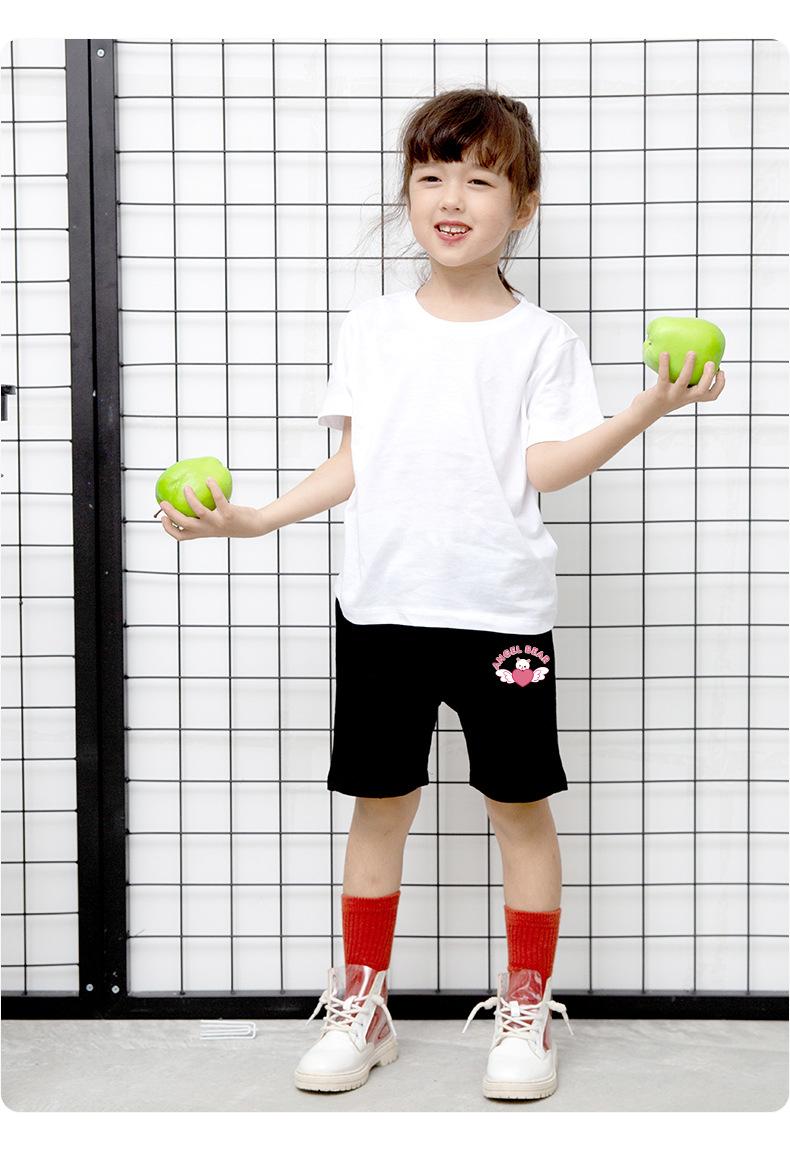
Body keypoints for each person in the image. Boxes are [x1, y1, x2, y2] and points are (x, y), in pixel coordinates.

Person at [158, 86, 726, 1101]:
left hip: (501, 613)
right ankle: (363, 1006)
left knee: (519, 807)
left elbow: (545, 468)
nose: (450, 198)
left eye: (479, 178)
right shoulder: (371, 328)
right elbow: (353, 464)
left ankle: (525, 1010)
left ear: (524, 204)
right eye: (430, 176)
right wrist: (255, 519)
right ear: (407, 195)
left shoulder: (542, 340)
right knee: (379, 805)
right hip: (382, 608)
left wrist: (646, 405)